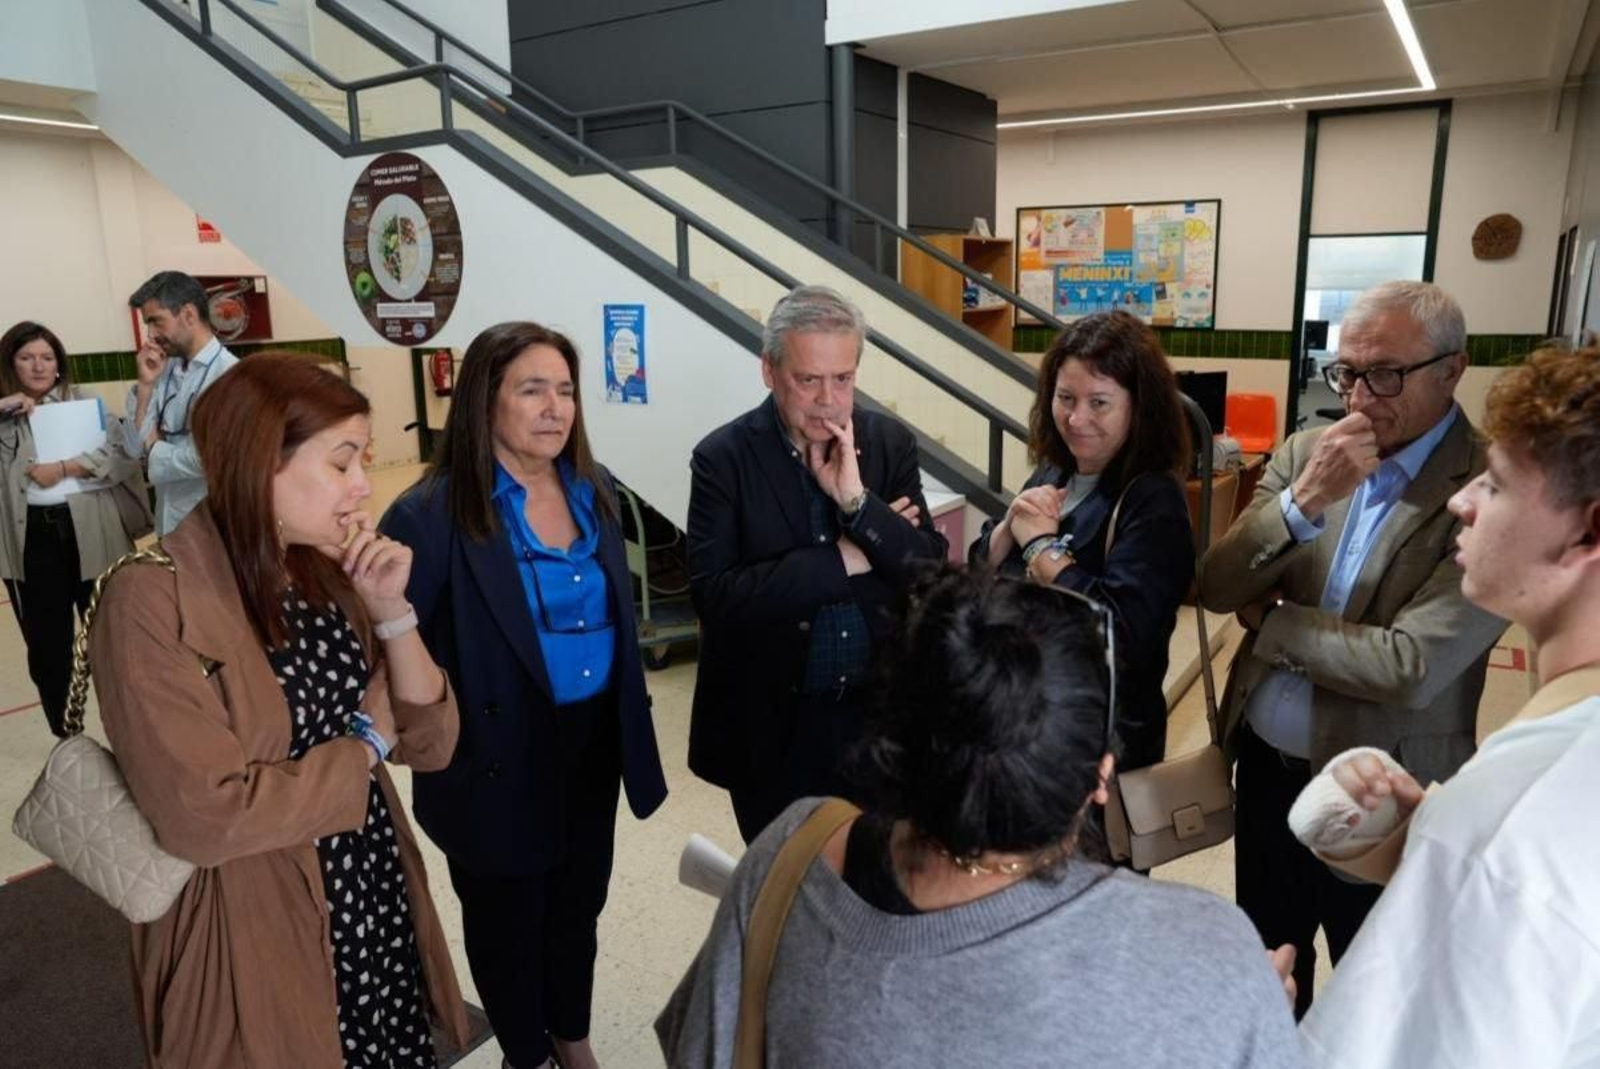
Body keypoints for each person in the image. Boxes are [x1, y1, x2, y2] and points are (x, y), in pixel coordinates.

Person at [657, 566, 1304, 1068]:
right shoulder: (1210, 952)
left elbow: (699, 1049)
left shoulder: (793, 847)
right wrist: (1245, 1014)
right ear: (1099, 779)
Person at [88, 352, 471, 1067]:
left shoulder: (323, 568)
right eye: (341, 463)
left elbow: (431, 742)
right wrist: (363, 746)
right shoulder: (149, 599)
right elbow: (205, 817)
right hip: (247, 912)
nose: (363, 487)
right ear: (260, 459)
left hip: (364, 878)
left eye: (364, 460)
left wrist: (392, 612)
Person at [1197, 280, 1505, 1016]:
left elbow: (1409, 664)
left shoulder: (1485, 484)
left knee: (1376, 988)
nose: (1362, 396)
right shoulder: (1309, 450)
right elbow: (1215, 584)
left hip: (1382, 790)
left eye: (1386, 374)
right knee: (1268, 972)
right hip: (1269, 774)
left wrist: (1272, 624)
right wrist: (1301, 501)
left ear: (1451, 369)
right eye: (1347, 373)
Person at [1293, 345, 1600, 1065]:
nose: (1462, 501)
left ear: (1588, 531)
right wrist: (1426, 847)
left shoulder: (1519, 814)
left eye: (1495, 485)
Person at [380, 322, 668, 1069]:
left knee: (578, 906)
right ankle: (525, 1051)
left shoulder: (591, 488)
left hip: (591, 740)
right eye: (531, 389)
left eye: (566, 390)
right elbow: (389, 649)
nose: (554, 407)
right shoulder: (431, 512)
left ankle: (571, 1035)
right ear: (484, 401)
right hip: (493, 753)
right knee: (509, 919)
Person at [685, 284, 948, 844]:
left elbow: (926, 568)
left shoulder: (887, 443)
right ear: (770, 371)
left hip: (877, 721)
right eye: (809, 380)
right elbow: (717, 596)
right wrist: (849, 556)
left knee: (877, 888)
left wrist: (858, 504)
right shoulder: (723, 459)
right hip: (776, 726)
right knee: (789, 895)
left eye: (844, 379)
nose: (829, 400)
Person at [969, 309, 1194, 775]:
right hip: (1023, 725)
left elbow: (1125, 635)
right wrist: (1008, 528)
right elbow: (981, 573)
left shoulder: (1152, 499)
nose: (1076, 418)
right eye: (1065, 398)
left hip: (1098, 750)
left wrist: (1041, 551)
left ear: (1138, 406)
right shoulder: (1057, 469)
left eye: (1099, 403)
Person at [0, 320, 144, 737]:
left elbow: (123, 459)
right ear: (11, 364)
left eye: (47, 357)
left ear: (59, 365)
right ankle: (69, 738)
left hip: (92, 532)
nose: (39, 366)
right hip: (31, 543)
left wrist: (67, 468)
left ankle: (132, 733)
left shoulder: (85, 402)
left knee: (113, 640)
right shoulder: (5, 413)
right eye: (27, 358)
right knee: (49, 649)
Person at [125, 270, 238, 534]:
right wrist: (145, 386)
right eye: (147, 325)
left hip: (211, 526)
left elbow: (210, 459)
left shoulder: (231, 376)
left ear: (188, 315)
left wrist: (153, 449)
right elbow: (132, 449)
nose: (150, 335)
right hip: (167, 520)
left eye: (156, 322)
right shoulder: (161, 370)